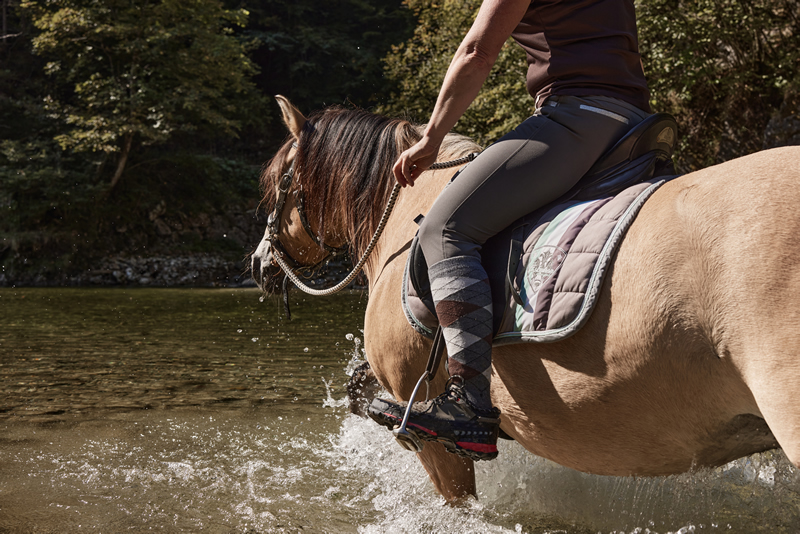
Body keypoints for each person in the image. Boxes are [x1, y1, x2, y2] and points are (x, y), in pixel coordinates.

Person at [368, 0, 652, 461]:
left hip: (578, 117)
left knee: (445, 229)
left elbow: (477, 50)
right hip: (635, 125)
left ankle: (468, 401)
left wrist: (432, 137)